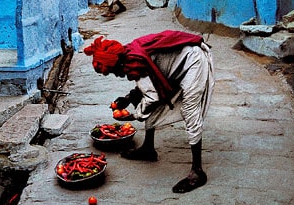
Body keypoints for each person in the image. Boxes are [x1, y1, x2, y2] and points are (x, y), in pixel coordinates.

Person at [83, 30, 215, 193]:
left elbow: (152, 96)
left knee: (190, 111)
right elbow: (149, 81)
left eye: (112, 71)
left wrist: (135, 115)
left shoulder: (133, 61)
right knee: (145, 100)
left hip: (193, 61)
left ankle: (197, 172)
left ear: (116, 63)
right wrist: (128, 98)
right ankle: (148, 148)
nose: (116, 75)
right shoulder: (128, 54)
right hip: (178, 61)